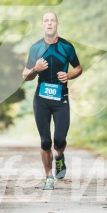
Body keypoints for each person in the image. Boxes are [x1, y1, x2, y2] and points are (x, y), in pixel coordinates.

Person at [22, 12, 82, 190]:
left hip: (60, 98)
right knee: (45, 141)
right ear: (42, 25)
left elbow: (78, 67)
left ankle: (60, 157)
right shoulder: (36, 48)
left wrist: (69, 75)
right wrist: (35, 68)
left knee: (60, 140)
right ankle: (49, 176)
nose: (49, 23)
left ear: (57, 24)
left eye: (52, 20)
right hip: (41, 100)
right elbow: (26, 76)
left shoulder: (66, 47)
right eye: (46, 21)